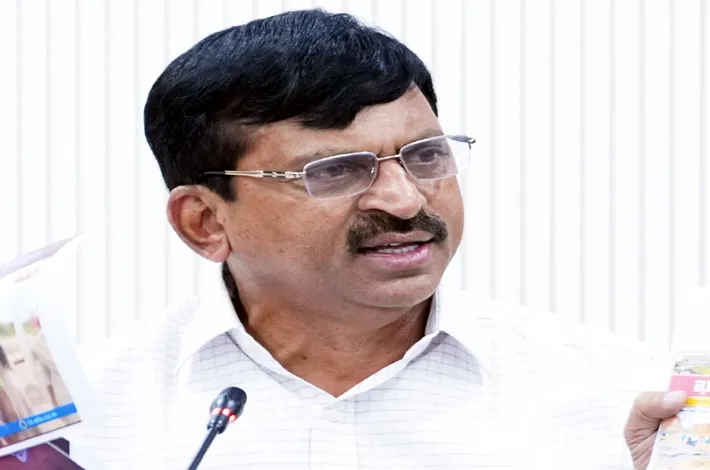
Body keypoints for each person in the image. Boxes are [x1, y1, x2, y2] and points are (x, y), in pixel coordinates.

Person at [67, 9, 668, 469]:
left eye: (426, 156)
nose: (405, 200)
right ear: (204, 222)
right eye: (335, 171)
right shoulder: (80, 424)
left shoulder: (622, 398)